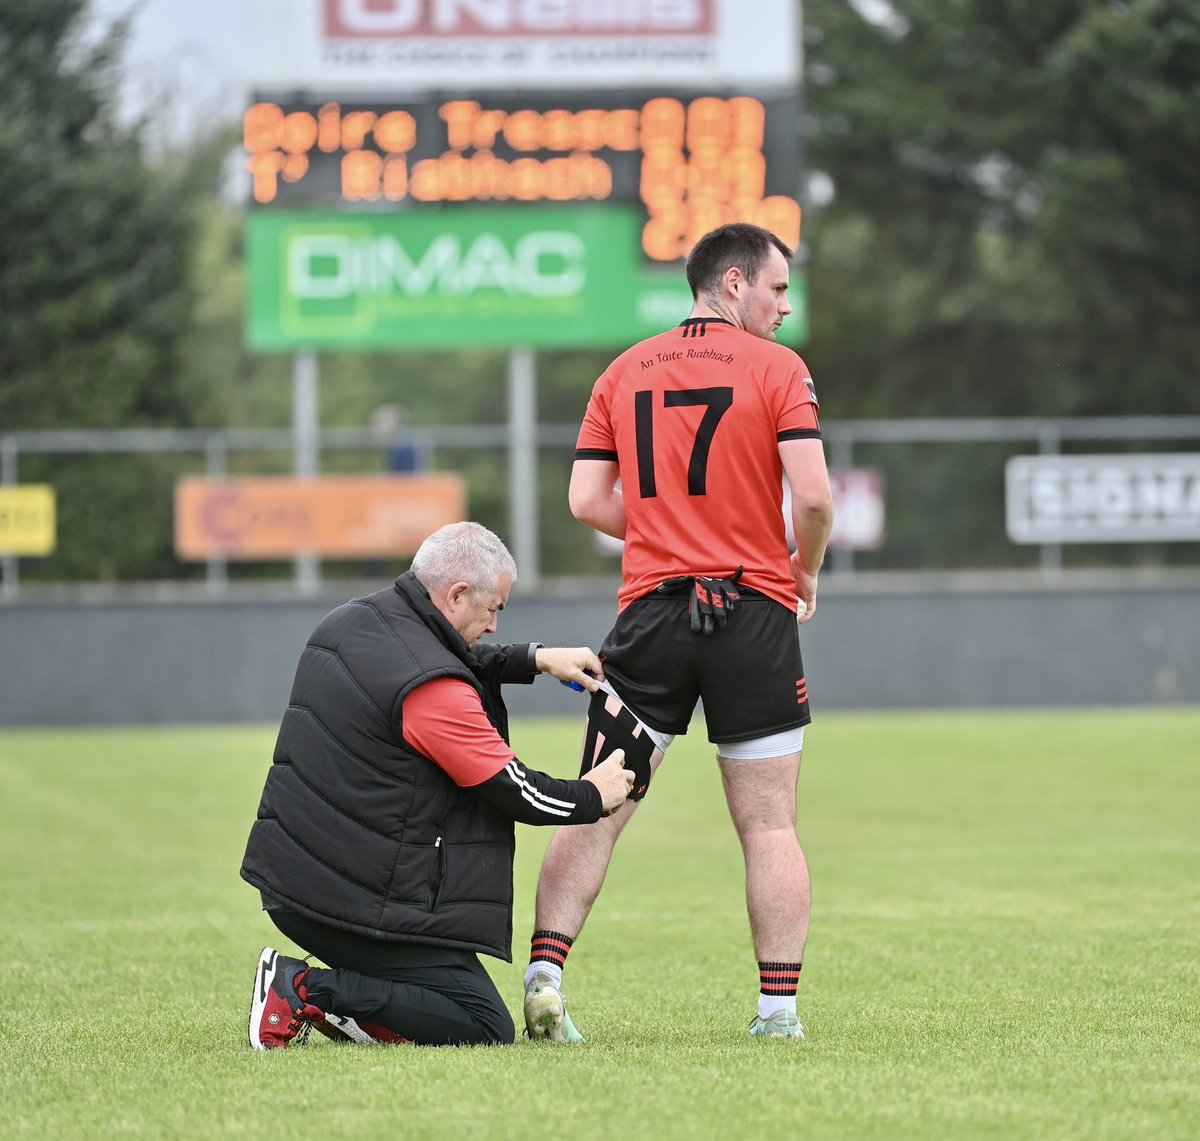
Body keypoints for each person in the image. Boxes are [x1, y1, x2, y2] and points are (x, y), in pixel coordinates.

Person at [521, 222, 834, 1043]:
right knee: (768, 823)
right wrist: (802, 568)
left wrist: (666, 529)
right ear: (733, 285)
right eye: (776, 288)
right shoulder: (781, 369)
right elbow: (815, 495)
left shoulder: (622, 372)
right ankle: (777, 1015)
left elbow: (588, 502)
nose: (784, 305)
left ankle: (546, 975)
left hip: (653, 613)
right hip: (754, 612)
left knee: (594, 805)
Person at [242, 521, 633, 1049]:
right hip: (344, 900)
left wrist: (533, 659)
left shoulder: (357, 620)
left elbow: (449, 652)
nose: (495, 625)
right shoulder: (434, 689)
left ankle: (347, 1013)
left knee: (449, 997)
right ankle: (306, 991)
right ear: (456, 594)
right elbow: (512, 787)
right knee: (480, 1022)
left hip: (305, 878)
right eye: (494, 609)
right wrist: (593, 794)